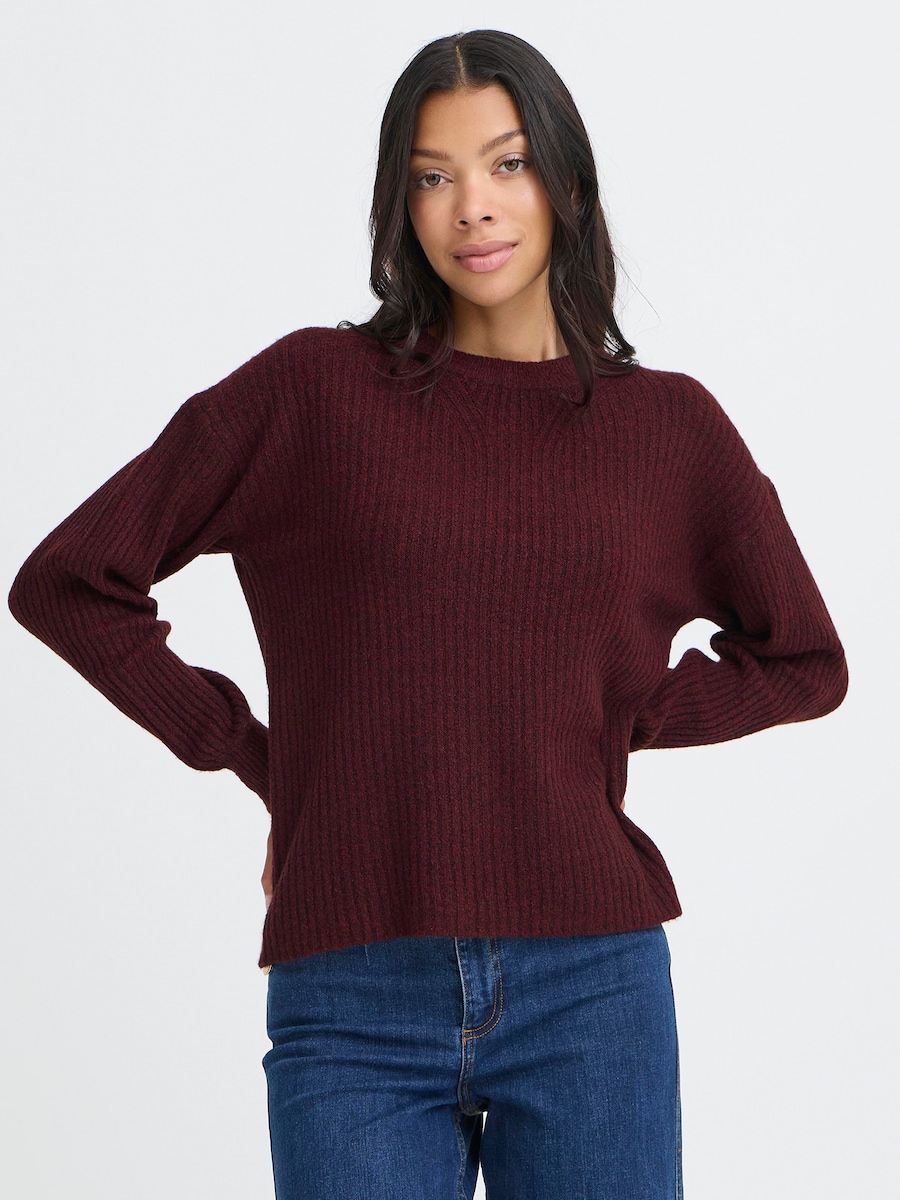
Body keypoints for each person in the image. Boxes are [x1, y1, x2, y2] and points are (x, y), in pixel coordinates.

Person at [7, 27, 848, 1200]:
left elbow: (804, 659)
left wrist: (618, 711)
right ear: (399, 206)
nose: (473, 207)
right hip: (352, 987)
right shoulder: (314, 393)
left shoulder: (667, 430)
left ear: (566, 182)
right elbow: (70, 580)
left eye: (507, 163)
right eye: (432, 176)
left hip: (590, 984)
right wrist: (263, 758)